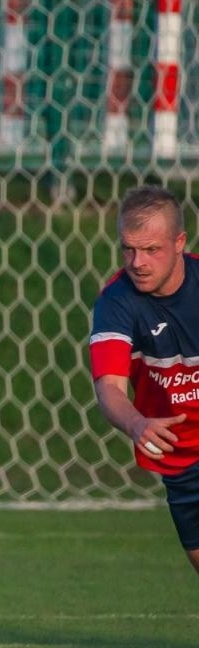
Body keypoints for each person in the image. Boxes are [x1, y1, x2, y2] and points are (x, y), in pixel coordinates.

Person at [90, 185, 199, 575]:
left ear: (180, 243)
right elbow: (109, 387)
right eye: (128, 249)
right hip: (181, 453)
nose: (138, 262)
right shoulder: (116, 304)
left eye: (151, 250)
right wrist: (137, 423)